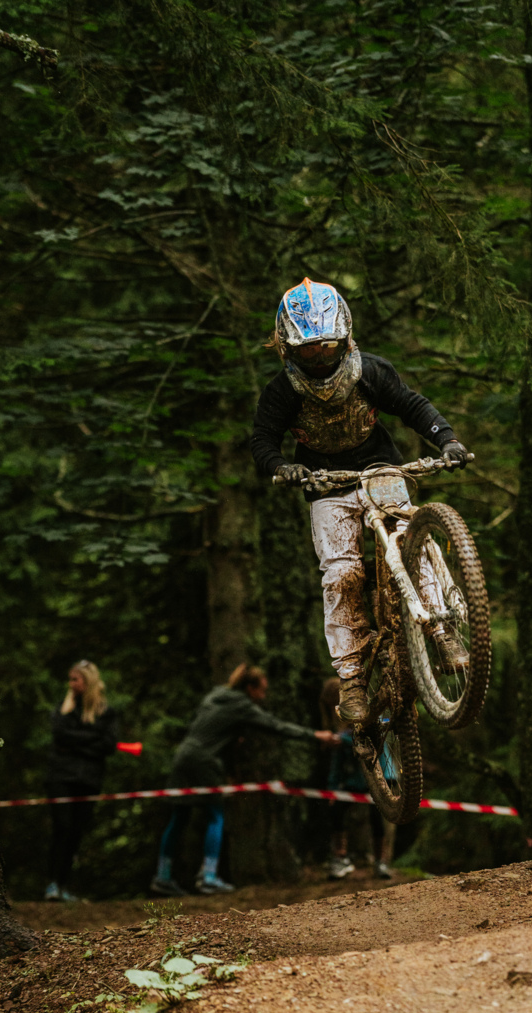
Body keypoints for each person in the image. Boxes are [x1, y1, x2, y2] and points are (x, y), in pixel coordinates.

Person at [250, 277, 470, 724]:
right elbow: (262, 440)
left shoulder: (370, 371)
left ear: (345, 336)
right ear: (287, 349)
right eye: (309, 351)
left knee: (411, 539)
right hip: (325, 484)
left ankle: (441, 630)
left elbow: (412, 405)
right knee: (341, 573)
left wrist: (446, 440)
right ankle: (351, 678)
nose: (319, 358)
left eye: (327, 347)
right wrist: (281, 466)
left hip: (381, 469)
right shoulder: (282, 391)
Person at [151, 664, 337, 896]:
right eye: (262, 690)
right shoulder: (242, 705)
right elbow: (276, 726)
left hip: (184, 755)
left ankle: (163, 876)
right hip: (204, 761)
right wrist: (315, 735)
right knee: (215, 816)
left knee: (179, 817)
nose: (263, 696)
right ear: (250, 688)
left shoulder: (216, 695)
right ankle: (208, 877)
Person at [45, 660, 118, 901]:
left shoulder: (106, 712)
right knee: (62, 827)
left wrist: (75, 743)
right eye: (70, 679)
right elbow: (59, 736)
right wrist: (92, 738)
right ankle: (52, 884)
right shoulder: (64, 708)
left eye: (75, 679)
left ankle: (63, 884)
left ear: (88, 681)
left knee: (76, 831)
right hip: (60, 777)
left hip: (89, 780)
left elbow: (108, 745)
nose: (71, 684)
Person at [319, 677, 396, 881]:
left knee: (377, 818)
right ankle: (340, 858)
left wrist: (341, 740)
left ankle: (380, 861)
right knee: (336, 811)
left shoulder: (364, 711)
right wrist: (332, 789)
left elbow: (372, 735)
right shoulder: (339, 728)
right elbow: (337, 762)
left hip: (378, 776)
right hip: (353, 782)